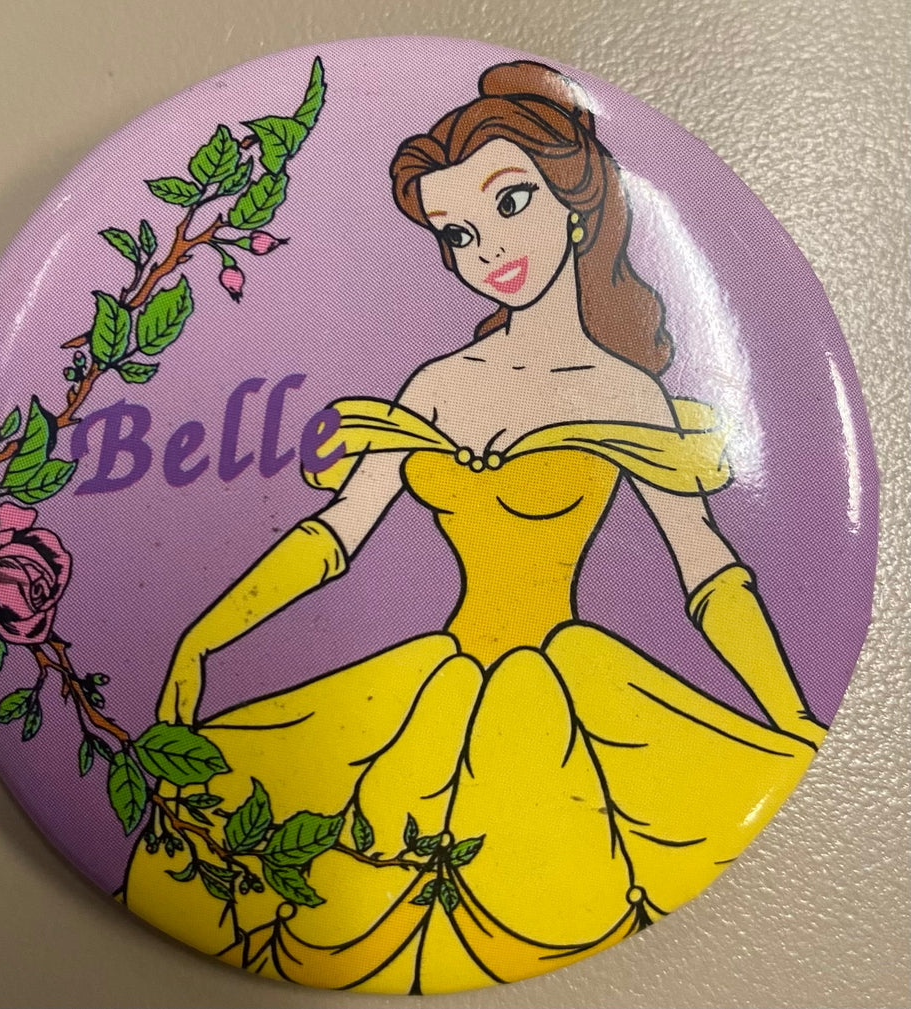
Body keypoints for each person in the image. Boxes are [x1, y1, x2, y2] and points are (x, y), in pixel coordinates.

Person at [123, 60, 825, 994]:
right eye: (457, 232)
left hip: (572, 701)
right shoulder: (439, 385)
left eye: (510, 202)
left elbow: (707, 568)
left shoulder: (627, 395)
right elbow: (336, 536)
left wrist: (789, 716)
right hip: (426, 687)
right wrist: (205, 635)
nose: (486, 248)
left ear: (575, 207)